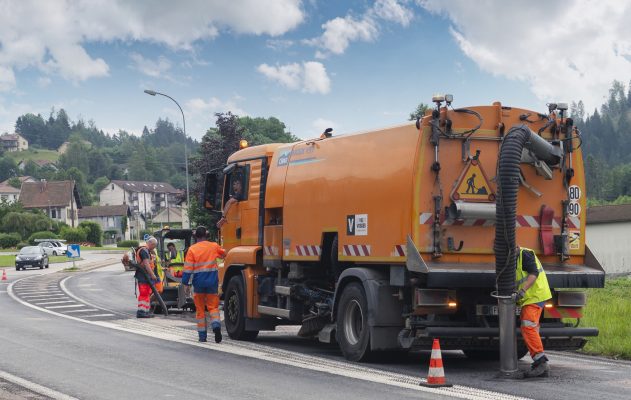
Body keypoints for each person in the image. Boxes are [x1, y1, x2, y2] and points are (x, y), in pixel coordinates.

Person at [182, 226, 226, 342]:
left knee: (200, 309)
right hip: (212, 282)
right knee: (213, 307)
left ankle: (202, 336)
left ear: (196, 236)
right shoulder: (214, 246)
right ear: (206, 235)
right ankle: (216, 325)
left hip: (198, 283)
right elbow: (224, 254)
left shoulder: (192, 249)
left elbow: (187, 269)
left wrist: (185, 283)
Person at [514, 246, 552, 378]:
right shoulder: (513, 258)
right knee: (529, 326)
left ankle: (541, 363)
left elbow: (533, 273)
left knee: (528, 325)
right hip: (530, 298)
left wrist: (522, 291)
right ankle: (539, 362)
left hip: (536, 295)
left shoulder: (525, 254)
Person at [134, 237, 161, 318]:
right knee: (144, 294)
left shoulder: (145, 250)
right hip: (143, 276)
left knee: (146, 294)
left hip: (145, 276)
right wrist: (152, 275)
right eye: (154, 246)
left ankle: (145, 312)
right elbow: (146, 264)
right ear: (151, 244)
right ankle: (141, 312)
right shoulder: (144, 250)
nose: (154, 248)